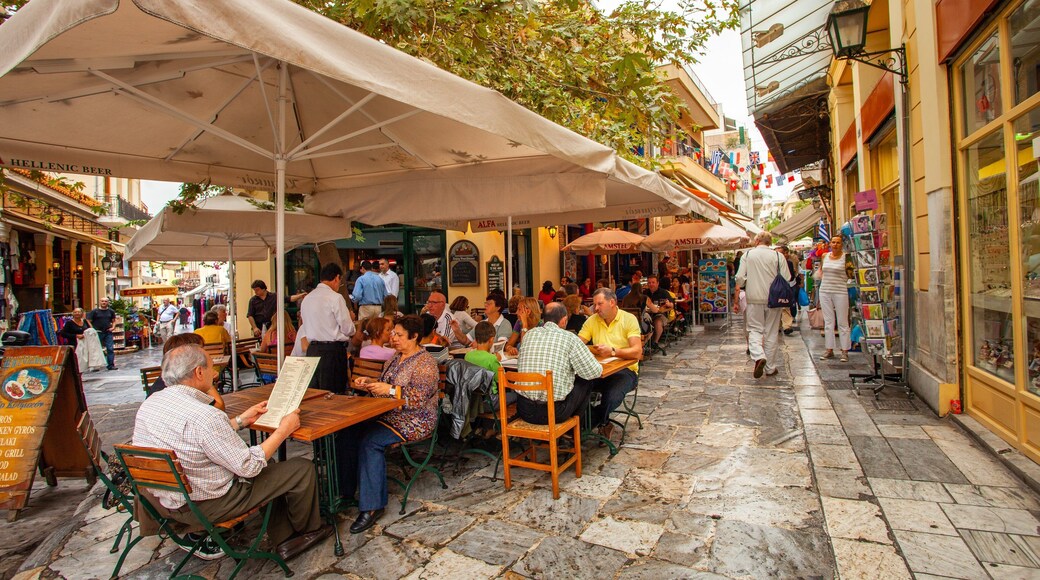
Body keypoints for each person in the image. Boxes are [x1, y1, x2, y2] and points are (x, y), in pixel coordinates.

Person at [133, 344, 329, 561]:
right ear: (199, 372)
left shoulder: (151, 404)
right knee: (300, 468)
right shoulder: (205, 416)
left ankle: (284, 537)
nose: (215, 373)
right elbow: (248, 466)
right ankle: (306, 532)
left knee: (269, 465)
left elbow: (195, 439)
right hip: (206, 505)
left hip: (165, 502)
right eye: (210, 367)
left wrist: (240, 421)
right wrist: (284, 430)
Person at [338, 315, 439, 534]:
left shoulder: (425, 363)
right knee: (346, 431)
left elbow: (419, 398)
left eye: (399, 335)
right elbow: (385, 384)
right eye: (393, 333)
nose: (393, 338)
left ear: (414, 337)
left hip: (415, 418)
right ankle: (346, 493)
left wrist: (390, 390)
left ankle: (372, 507)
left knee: (370, 441)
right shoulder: (395, 357)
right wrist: (370, 384)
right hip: (387, 412)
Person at [516, 302, 602, 424]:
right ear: (564, 320)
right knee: (585, 381)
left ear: (544, 318)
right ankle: (577, 428)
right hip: (555, 413)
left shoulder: (529, 335)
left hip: (524, 410)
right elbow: (594, 371)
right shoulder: (570, 338)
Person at [577, 288, 642, 440]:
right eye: (595, 305)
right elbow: (578, 344)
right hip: (598, 370)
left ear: (612, 302)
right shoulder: (592, 320)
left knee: (611, 397)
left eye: (599, 304)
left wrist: (613, 351)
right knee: (575, 389)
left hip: (625, 370)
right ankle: (602, 422)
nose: (596, 308)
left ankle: (588, 424)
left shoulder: (628, 319)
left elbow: (637, 352)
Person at [734, 231, 793, 378]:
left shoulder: (747, 255)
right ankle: (770, 368)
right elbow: (787, 277)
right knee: (771, 332)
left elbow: (740, 277)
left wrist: (742, 285)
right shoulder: (778, 256)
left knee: (754, 329)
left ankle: (759, 355)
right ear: (769, 242)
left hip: (753, 298)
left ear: (757, 241)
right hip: (774, 299)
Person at [300, 263, 355, 393]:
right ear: (336, 278)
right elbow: (348, 328)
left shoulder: (307, 299)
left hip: (312, 349)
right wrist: (352, 322)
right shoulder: (335, 298)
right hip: (332, 351)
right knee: (334, 393)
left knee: (315, 392)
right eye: (339, 281)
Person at [146, 333, 224, 409]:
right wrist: (207, 380)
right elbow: (219, 407)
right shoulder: (182, 385)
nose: (205, 353)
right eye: (201, 349)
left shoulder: (170, 380)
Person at [464, 321, 513, 410]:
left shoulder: (467, 356)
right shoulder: (492, 359)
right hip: (490, 402)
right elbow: (502, 380)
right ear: (491, 339)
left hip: (472, 400)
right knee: (515, 395)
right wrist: (497, 361)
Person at [818, 235, 851, 362]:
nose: (835, 244)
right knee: (828, 321)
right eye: (833, 242)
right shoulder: (824, 256)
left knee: (843, 321)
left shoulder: (846, 258)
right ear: (830, 244)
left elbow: (850, 274)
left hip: (840, 290)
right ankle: (829, 349)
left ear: (842, 244)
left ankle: (844, 351)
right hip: (825, 290)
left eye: (838, 242)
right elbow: (822, 271)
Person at [87, 297, 118, 371]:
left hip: (108, 332)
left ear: (108, 302)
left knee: (110, 348)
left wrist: (113, 327)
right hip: (98, 332)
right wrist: (92, 329)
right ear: (100, 302)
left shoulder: (111, 311)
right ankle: (95, 365)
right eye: (102, 301)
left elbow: (114, 320)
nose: (104, 302)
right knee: (96, 349)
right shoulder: (95, 311)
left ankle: (110, 365)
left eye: (105, 301)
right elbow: (88, 320)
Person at [644, 275, 676, 346]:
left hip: (661, 314)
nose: (651, 284)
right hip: (647, 315)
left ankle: (655, 342)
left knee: (658, 322)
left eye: (653, 282)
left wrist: (668, 304)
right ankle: (644, 343)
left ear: (657, 283)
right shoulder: (645, 293)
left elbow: (672, 304)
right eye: (649, 283)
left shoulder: (663, 292)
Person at [777, 246, 801, 336]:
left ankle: (787, 326)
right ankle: (778, 326)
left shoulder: (789, 263)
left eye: (782, 253)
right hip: (774, 288)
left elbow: (790, 276)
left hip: (786, 287)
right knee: (776, 307)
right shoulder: (771, 263)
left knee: (785, 306)